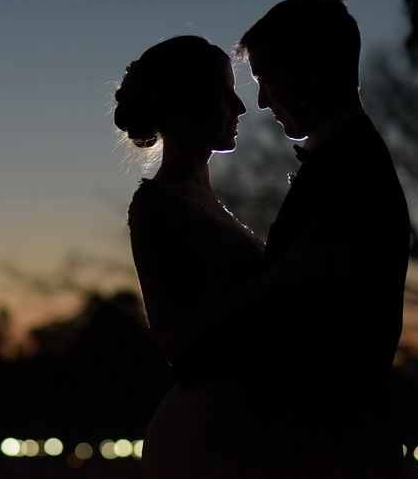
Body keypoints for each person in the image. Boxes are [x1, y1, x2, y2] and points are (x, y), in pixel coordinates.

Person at [116, 35, 327, 477]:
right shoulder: (157, 204)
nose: (241, 107)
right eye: (223, 93)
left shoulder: (208, 201)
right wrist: (285, 277)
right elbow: (174, 338)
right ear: (181, 103)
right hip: (204, 438)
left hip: (241, 428)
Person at [235, 0, 411, 477]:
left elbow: (312, 325)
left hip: (327, 445)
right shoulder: (350, 156)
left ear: (311, 67)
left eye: (266, 80)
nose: (261, 102)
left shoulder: (347, 167)